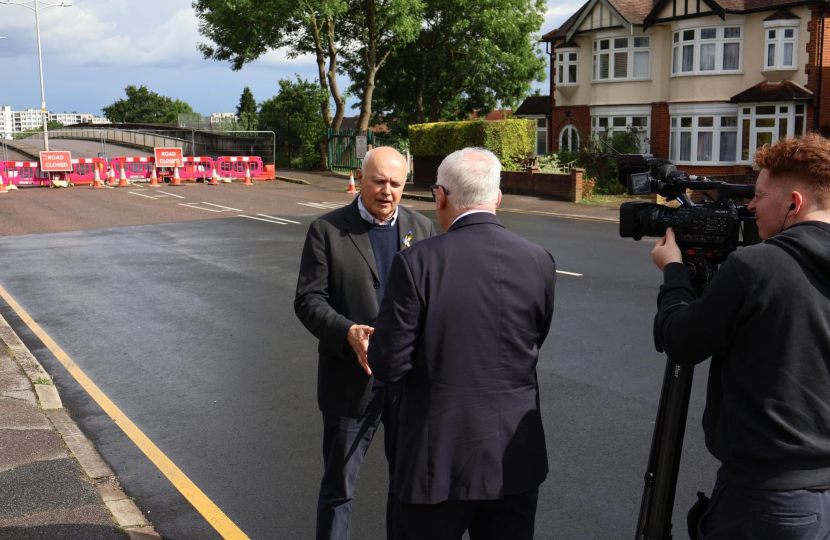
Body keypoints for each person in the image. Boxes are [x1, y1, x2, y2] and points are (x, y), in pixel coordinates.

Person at [368, 147, 556, 540]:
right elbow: (534, 339)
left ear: (440, 196)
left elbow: (388, 364)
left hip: (436, 463)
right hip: (514, 461)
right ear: (497, 198)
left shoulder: (417, 262)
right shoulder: (539, 260)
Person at [650, 133, 830, 540]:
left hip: (764, 503)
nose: (750, 205)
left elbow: (680, 341)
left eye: (760, 194)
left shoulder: (757, 266)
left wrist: (674, 273)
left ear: (793, 203)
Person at [294, 146, 436, 540]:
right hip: (350, 383)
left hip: (406, 385)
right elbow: (308, 300)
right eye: (379, 181)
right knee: (339, 490)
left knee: (405, 490)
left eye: (396, 183)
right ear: (359, 178)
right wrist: (347, 331)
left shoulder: (420, 228)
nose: (387, 191)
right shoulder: (327, 230)